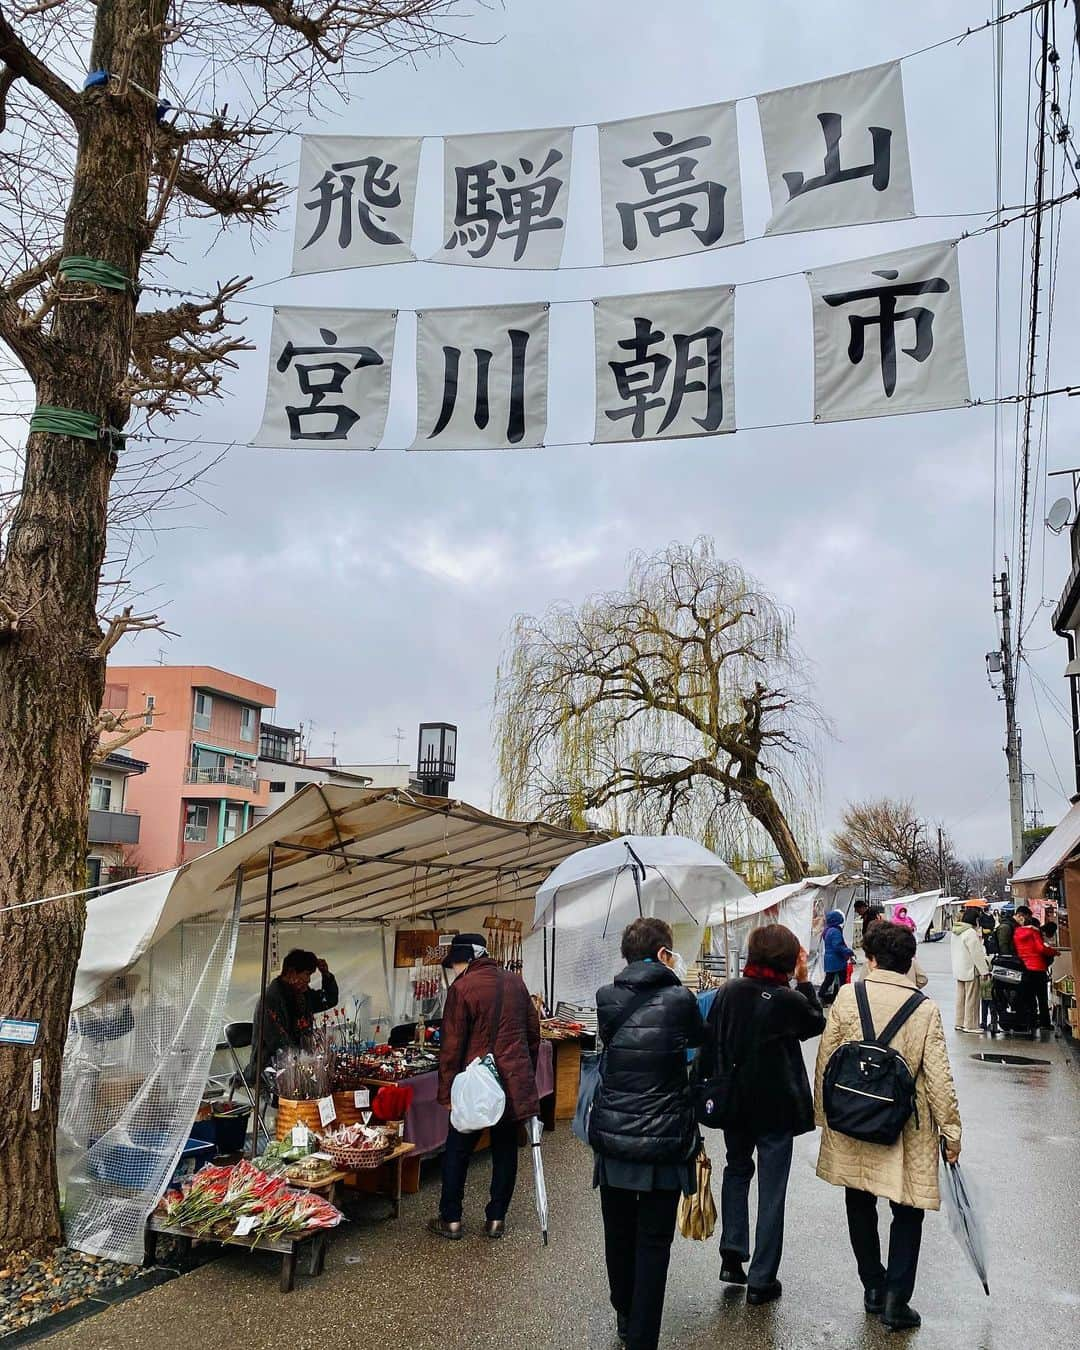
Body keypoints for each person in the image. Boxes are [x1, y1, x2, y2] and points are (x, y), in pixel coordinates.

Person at [815, 921, 962, 1333]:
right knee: (907, 1210)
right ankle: (897, 1301)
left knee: (858, 1201)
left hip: (853, 1116)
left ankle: (873, 1287)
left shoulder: (848, 996)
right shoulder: (924, 1008)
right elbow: (938, 1078)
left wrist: (824, 1117)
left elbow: (827, 1059)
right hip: (906, 1126)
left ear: (872, 959)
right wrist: (951, 1134)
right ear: (908, 962)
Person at [590, 917, 704, 1350]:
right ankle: (642, 1337)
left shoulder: (606, 997)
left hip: (615, 1134)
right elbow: (698, 1040)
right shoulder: (680, 999)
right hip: (665, 1137)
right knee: (654, 1242)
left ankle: (623, 1308)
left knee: (617, 1231)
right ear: (663, 954)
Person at [701, 924, 825, 1306]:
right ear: (788, 960)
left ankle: (732, 1253)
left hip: (736, 1100)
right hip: (775, 1106)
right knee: (772, 1189)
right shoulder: (787, 1000)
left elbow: (712, 1038)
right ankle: (762, 1278)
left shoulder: (730, 991)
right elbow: (816, 1022)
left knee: (736, 1169)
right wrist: (804, 983)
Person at [430, 934, 540, 1240]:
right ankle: (496, 1219)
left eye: (453, 963)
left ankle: (451, 1219)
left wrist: (446, 1092)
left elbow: (451, 1047)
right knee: (505, 1149)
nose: (452, 969)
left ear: (464, 959)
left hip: (476, 1084)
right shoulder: (515, 982)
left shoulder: (462, 988)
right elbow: (533, 1034)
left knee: (458, 1149)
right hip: (511, 1082)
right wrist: (524, 1075)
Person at [247, 948, 338, 1080]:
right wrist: (305, 1062)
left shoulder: (302, 995)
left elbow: (329, 1000)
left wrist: (326, 975)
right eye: (306, 974)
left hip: (298, 1062)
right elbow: (280, 1044)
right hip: (271, 1068)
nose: (308, 980)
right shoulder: (270, 1000)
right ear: (291, 973)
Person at [1013, 907, 1057, 1031]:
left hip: (1025, 968)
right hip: (1037, 968)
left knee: (1029, 997)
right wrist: (1054, 952)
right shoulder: (1034, 933)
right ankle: (1045, 1023)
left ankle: (1031, 1022)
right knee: (1042, 998)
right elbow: (1041, 949)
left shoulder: (1016, 932)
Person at [950, 906, 990, 1033]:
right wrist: (984, 971)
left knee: (961, 998)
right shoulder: (970, 933)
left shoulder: (956, 931)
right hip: (970, 969)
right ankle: (971, 1025)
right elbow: (976, 954)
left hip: (959, 969)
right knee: (972, 998)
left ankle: (959, 1022)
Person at [819, 910, 854, 1004]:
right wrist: (849, 952)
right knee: (841, 980)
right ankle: (840, 997)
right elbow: (838, 946)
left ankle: (822, 996)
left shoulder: (827, 930)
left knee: (829, 979)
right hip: (837, 960)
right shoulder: (835, 931)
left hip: (829, 959)